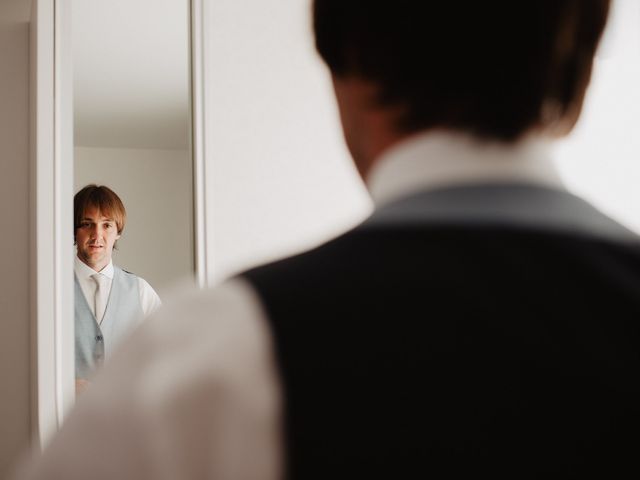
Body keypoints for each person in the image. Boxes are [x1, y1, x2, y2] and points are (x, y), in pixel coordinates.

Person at [18, 1, 640, 478]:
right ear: (581, 73)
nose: (96, 235)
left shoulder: (199, 361)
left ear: (345, 66)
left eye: (106, 225)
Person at [73, 184, 161, 393]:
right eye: (87, 224)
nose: (97, 235)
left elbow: (166, 356)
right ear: (74, 230)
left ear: (118, 231)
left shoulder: (141, 291)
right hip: (62, 418)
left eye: (106, 225)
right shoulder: (51, 290)